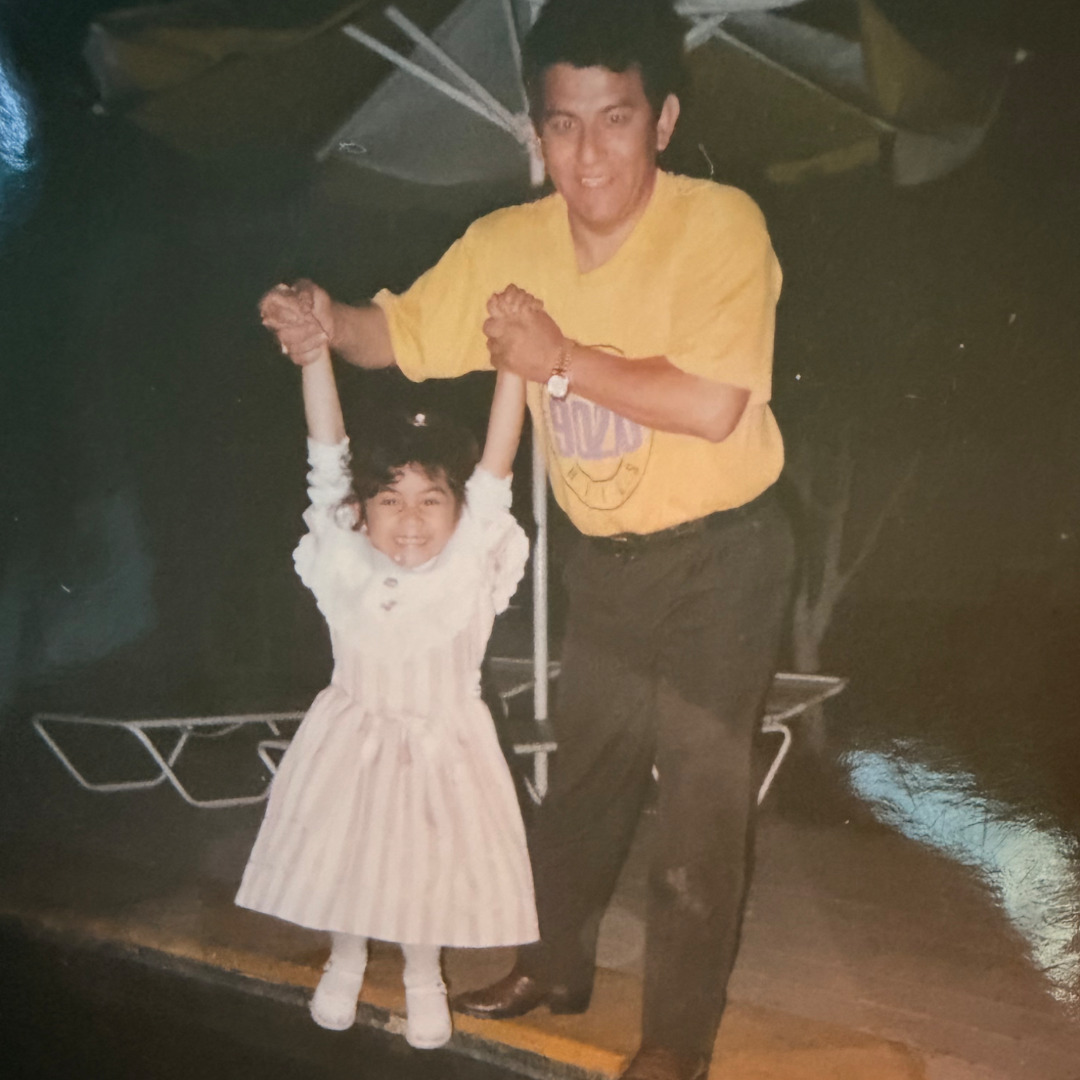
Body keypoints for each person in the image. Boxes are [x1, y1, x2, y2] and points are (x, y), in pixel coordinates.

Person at [259, 2, 795, 1076]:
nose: (587, 153)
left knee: (697, 807)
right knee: (585, 776)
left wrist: (558, 360)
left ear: (663, 120)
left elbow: (713, 405)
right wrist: (324, 317)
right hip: (608, 558)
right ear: (536, 129)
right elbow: (397, 334)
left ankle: (675, 1044)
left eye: (615, 119)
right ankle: (555, 966)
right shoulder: (509, 244)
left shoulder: (720, 225)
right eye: (562, 124)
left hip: (724, 554)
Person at [235, 289, 538, 1050]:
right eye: (391, 501)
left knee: (424, 864)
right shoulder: (346, 560)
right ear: (362, 512)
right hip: (356, 734)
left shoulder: (469, 564)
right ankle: (344, 957)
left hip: (443, 742)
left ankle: (423, 975)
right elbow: (326, 459)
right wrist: (314, 357)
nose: (410, 520)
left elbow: (497, 470)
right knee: (351, 851)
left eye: (431, 501)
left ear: (456, 511)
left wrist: (514, 366)